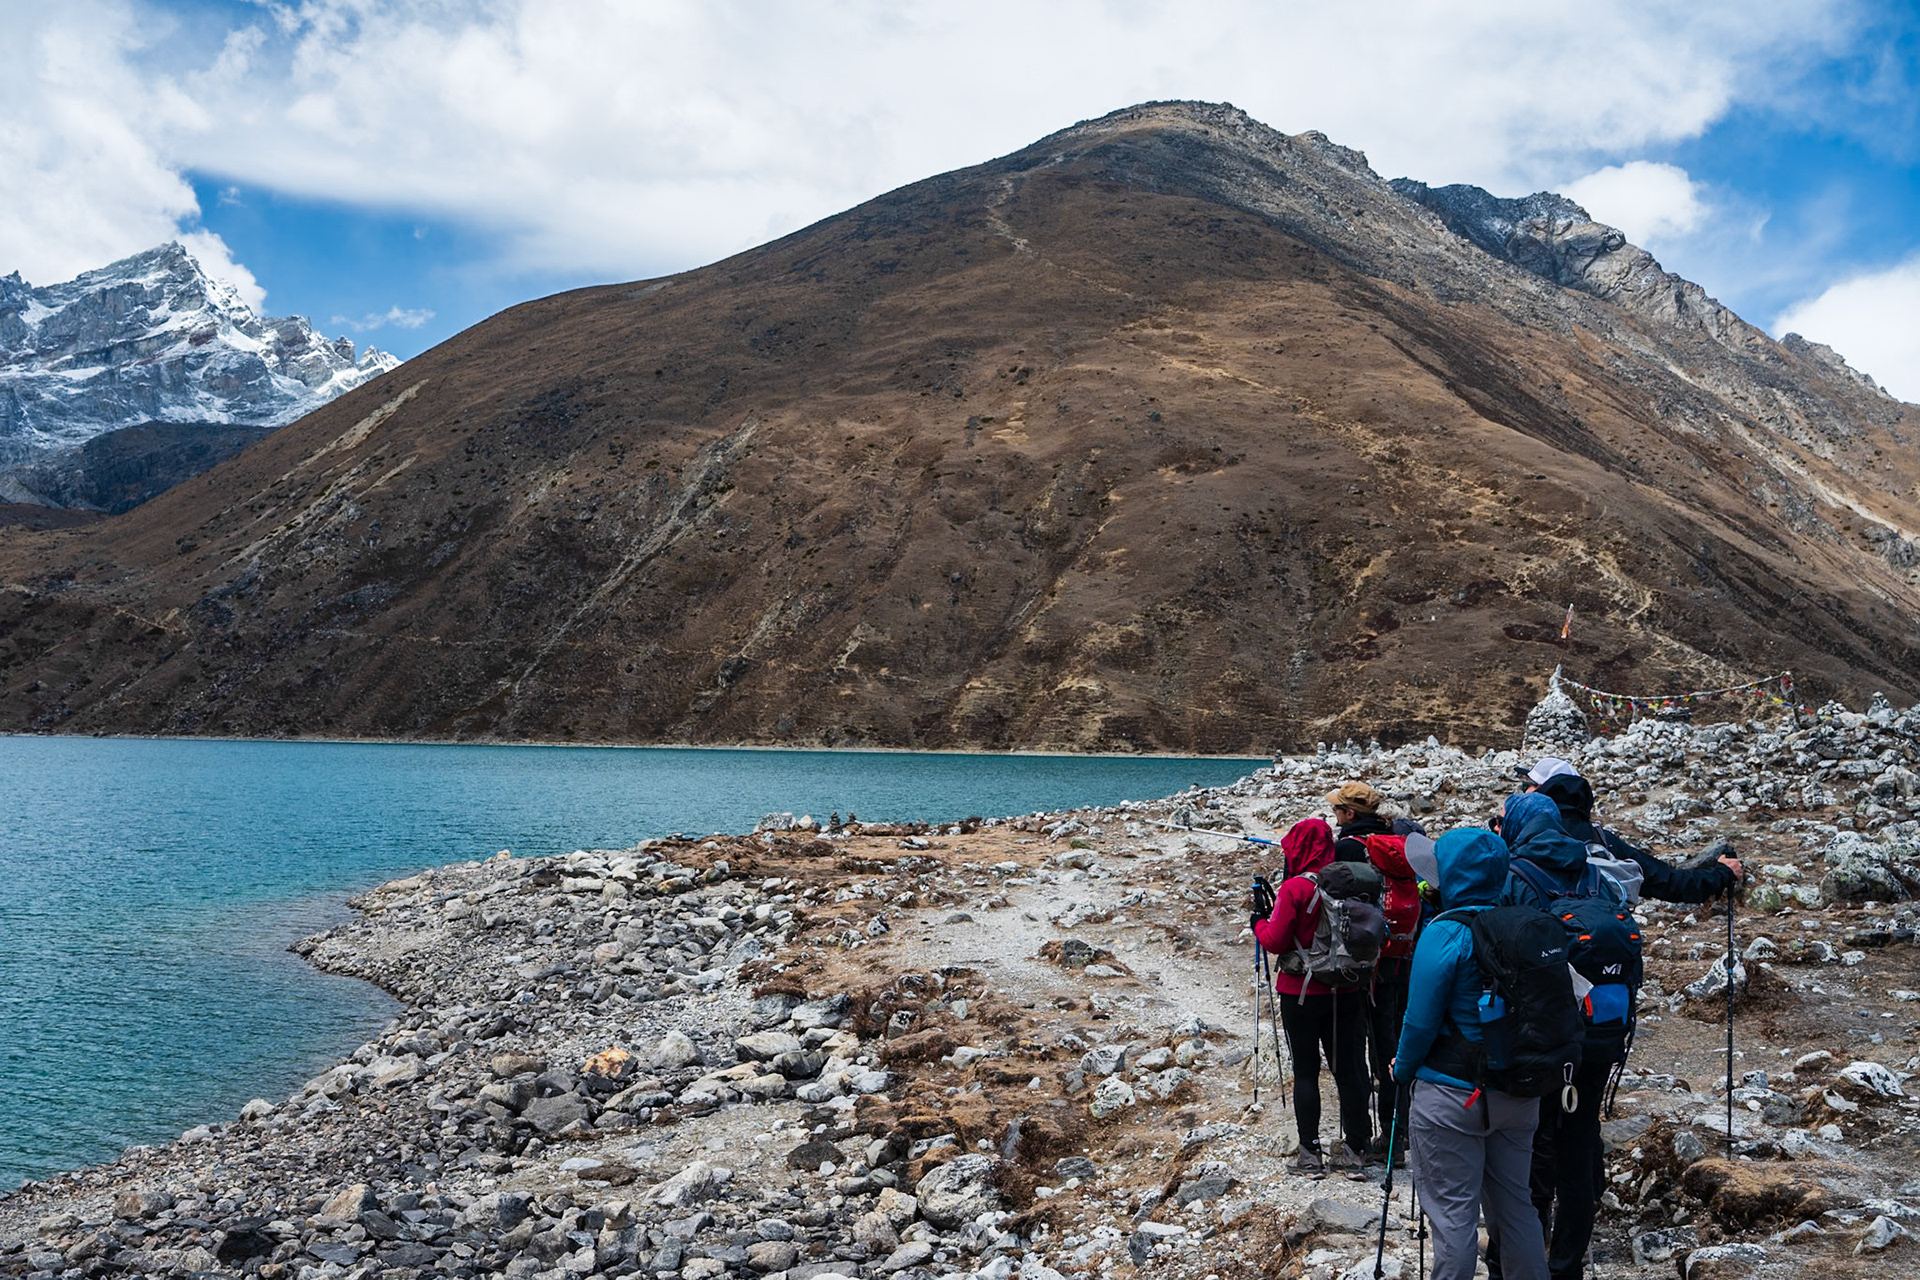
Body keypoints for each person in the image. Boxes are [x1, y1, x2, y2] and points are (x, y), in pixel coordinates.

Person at [1483, 765, 1742, 1280]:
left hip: (1538, 1033)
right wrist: (1722, 875)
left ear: (1546, 803)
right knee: (1580, 1136)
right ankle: (1569, 1263)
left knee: (1534, 1143)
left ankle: (1516, 1260)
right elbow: (1671, 881)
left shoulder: (1516, 861)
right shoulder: (1602, 856)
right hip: (1601, 1029)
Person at [1392, 826, 1550, 1280]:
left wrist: (1401, 1070)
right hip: (1519, 1092)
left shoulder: (1444, 934)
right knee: (1516, 1210)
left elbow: (1419, 1021)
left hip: (1452, 1098)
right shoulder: (1523, 926)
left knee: (1454, 1219)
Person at [1252, 818, 1374, 1177]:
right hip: (1348, 988)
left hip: (1301, 992)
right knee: (1348, 1070)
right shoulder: (1352, 882)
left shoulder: (1294, 888)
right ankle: (1356, 1152)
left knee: (1306, 1072)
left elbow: (1274, 940)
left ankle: (1310, 1154)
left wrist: (1258, 921)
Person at [1326, 781, 1421, 1160]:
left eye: (1337, 811)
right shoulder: (1398, 844)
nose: (1334, 817)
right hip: (1401, 957)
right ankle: (1397, 1136)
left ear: (1350, 814)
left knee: (1355, 1051)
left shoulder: (1348, 848)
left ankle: (1361, 1138)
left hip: (1360, 963)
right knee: (1391, 1049)